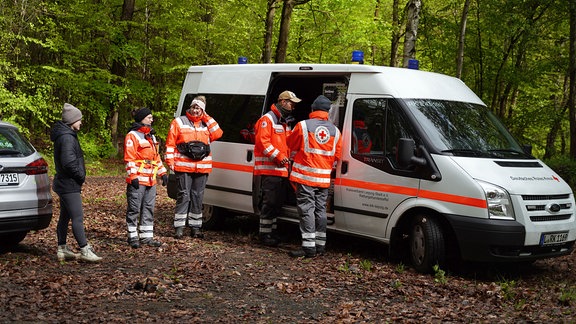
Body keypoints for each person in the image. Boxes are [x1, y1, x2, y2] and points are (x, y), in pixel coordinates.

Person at [287, 95, 343, 258]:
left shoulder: (303, 126)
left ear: (312, 109)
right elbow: (337, 155)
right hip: (324, 180)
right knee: (320, 211)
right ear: (327, 111)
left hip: (305, 178)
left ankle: (308, 248)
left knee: (307, 211)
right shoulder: (336, 131)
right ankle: (320, 246)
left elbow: (291, 144)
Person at [50, 103, 102, 262]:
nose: (81, 122)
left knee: (65, 216)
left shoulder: (66, 135)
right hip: (68, 184)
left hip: (66, 183)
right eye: (79, 119)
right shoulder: (66, 138)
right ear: (72, 120)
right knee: (78, 217)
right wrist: (80, 176)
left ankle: (62, 248)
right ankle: (85, 250)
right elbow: (68, 163)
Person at [165, 96, 223, 239]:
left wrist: (206, 116)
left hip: (202, 167)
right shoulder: (179, 122)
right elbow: (170, 143)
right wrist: (170, 161)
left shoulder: (206, 124)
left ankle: (195, 228)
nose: (196, 110)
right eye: (194, 107)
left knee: (198, 197)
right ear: (190, 107)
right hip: (183, 166)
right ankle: (179, 228)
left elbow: (218, 133)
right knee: (184, 195)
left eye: (199, 108)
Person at [254, 90, 301, 246]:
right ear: (282, 102)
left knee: (276, 203)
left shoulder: (283, 121)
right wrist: (280, 158)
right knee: (270, 203)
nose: (293, 106)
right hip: (270, 170)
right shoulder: (268, 120)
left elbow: (287, 145)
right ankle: (264, 235)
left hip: (280, 170)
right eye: (291, 103)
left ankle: (271, 233)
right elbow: (263, 143)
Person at [124, 107, 168, 248]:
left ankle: (146, 237)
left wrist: (163, 173)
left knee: (149, 208)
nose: (151, 119)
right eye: (149, 117)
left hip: (151, 179)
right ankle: (132, 237)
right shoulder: (132, 136)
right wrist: (133, 176)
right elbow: (129, 158)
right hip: (138, 180)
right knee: (134, 208)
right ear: (142, 118)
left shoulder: (151, 136)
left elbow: (156, 158)